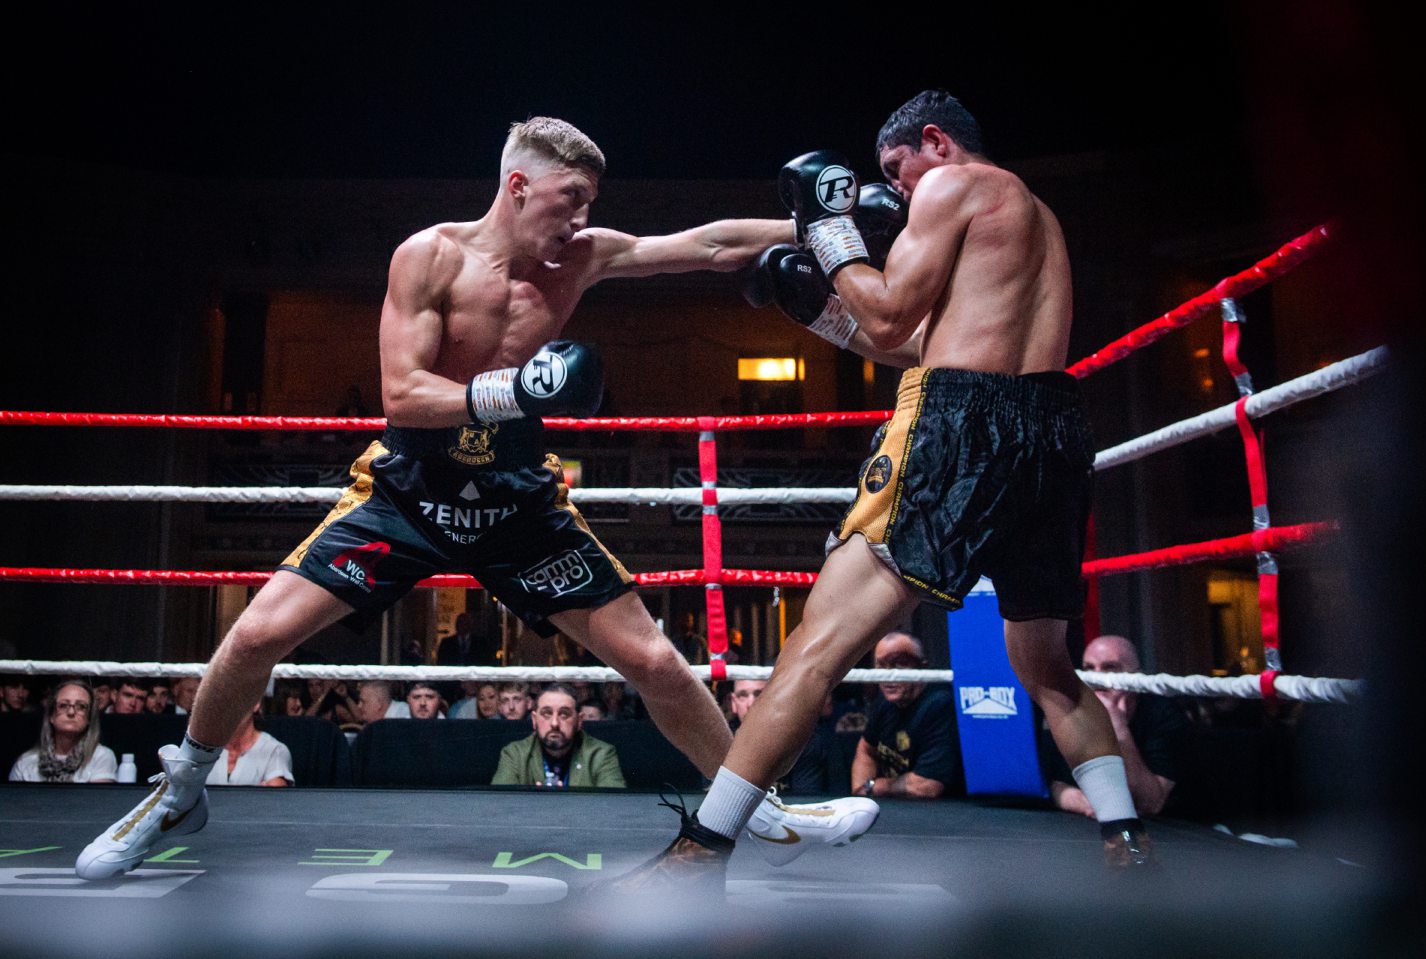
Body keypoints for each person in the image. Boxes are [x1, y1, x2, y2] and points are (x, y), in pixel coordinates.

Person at [75, 115, 863, 881]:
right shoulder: (428, 257)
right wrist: (515, 388)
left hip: (518, 501)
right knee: (252, 638)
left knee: (655, 659)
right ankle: (178, 796)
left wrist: (829, 222)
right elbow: (402, 393)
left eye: (590, 202)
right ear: (517, 186)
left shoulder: (579, 258)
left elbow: (709, 243)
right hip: (410, 490)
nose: (582, 218)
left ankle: (755, 808)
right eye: (570, 199)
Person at [607, 90, 1152, 893]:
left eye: (896, 174)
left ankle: (701, 852)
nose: (895, 194)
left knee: (815, 647)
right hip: (1053, 435)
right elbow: (931, 339)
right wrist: (822, 313)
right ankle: (1128, 842)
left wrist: (829, 232)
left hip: (958, 432)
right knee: (1044, 662)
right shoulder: (1035, 215)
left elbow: (894, 320)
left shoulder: (949, 185)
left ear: (934, 142)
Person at [1039, 634, 1193, 818]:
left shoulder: (1164, 715)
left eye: (1110, 668)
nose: (1097, 679)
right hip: (1087, 827)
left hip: (1174, 830)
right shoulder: (1072, 710)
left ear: (1135, 677)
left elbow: (1150, 802)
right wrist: (1087, 803)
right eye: (1089, 669)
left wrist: (1118, 728)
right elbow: (1054, 783)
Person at [850, 632, 961, 800]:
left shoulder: (940, 704)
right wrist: (860, 798)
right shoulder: (885, 702)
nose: (888, 675)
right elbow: (866, 751)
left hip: (946, 814)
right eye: (881, 666)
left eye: (899, 665)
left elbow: (927, 786)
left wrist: (873, 786)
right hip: (899, 809)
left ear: (922, 667)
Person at [491, 683, 625, 788]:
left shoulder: (601, 754)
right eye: (546, 713)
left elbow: (613, 810)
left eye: (564, 714)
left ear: (579, 721)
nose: (554, 723)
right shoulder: (514, 754)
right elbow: (498, 808)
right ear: (534, 720)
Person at [8, 679, 117, 783]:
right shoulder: (26, 762)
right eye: (63, 705)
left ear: (89, 718)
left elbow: (98, 801)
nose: (71, 712)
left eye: (81, 706)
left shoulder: (101, 757)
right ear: (51, 715)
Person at [207, 702, 293, 787]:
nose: (230, 707)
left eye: (238, 698)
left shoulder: (275, 750)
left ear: (256, 704)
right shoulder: (202, 747)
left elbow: (275, 796)